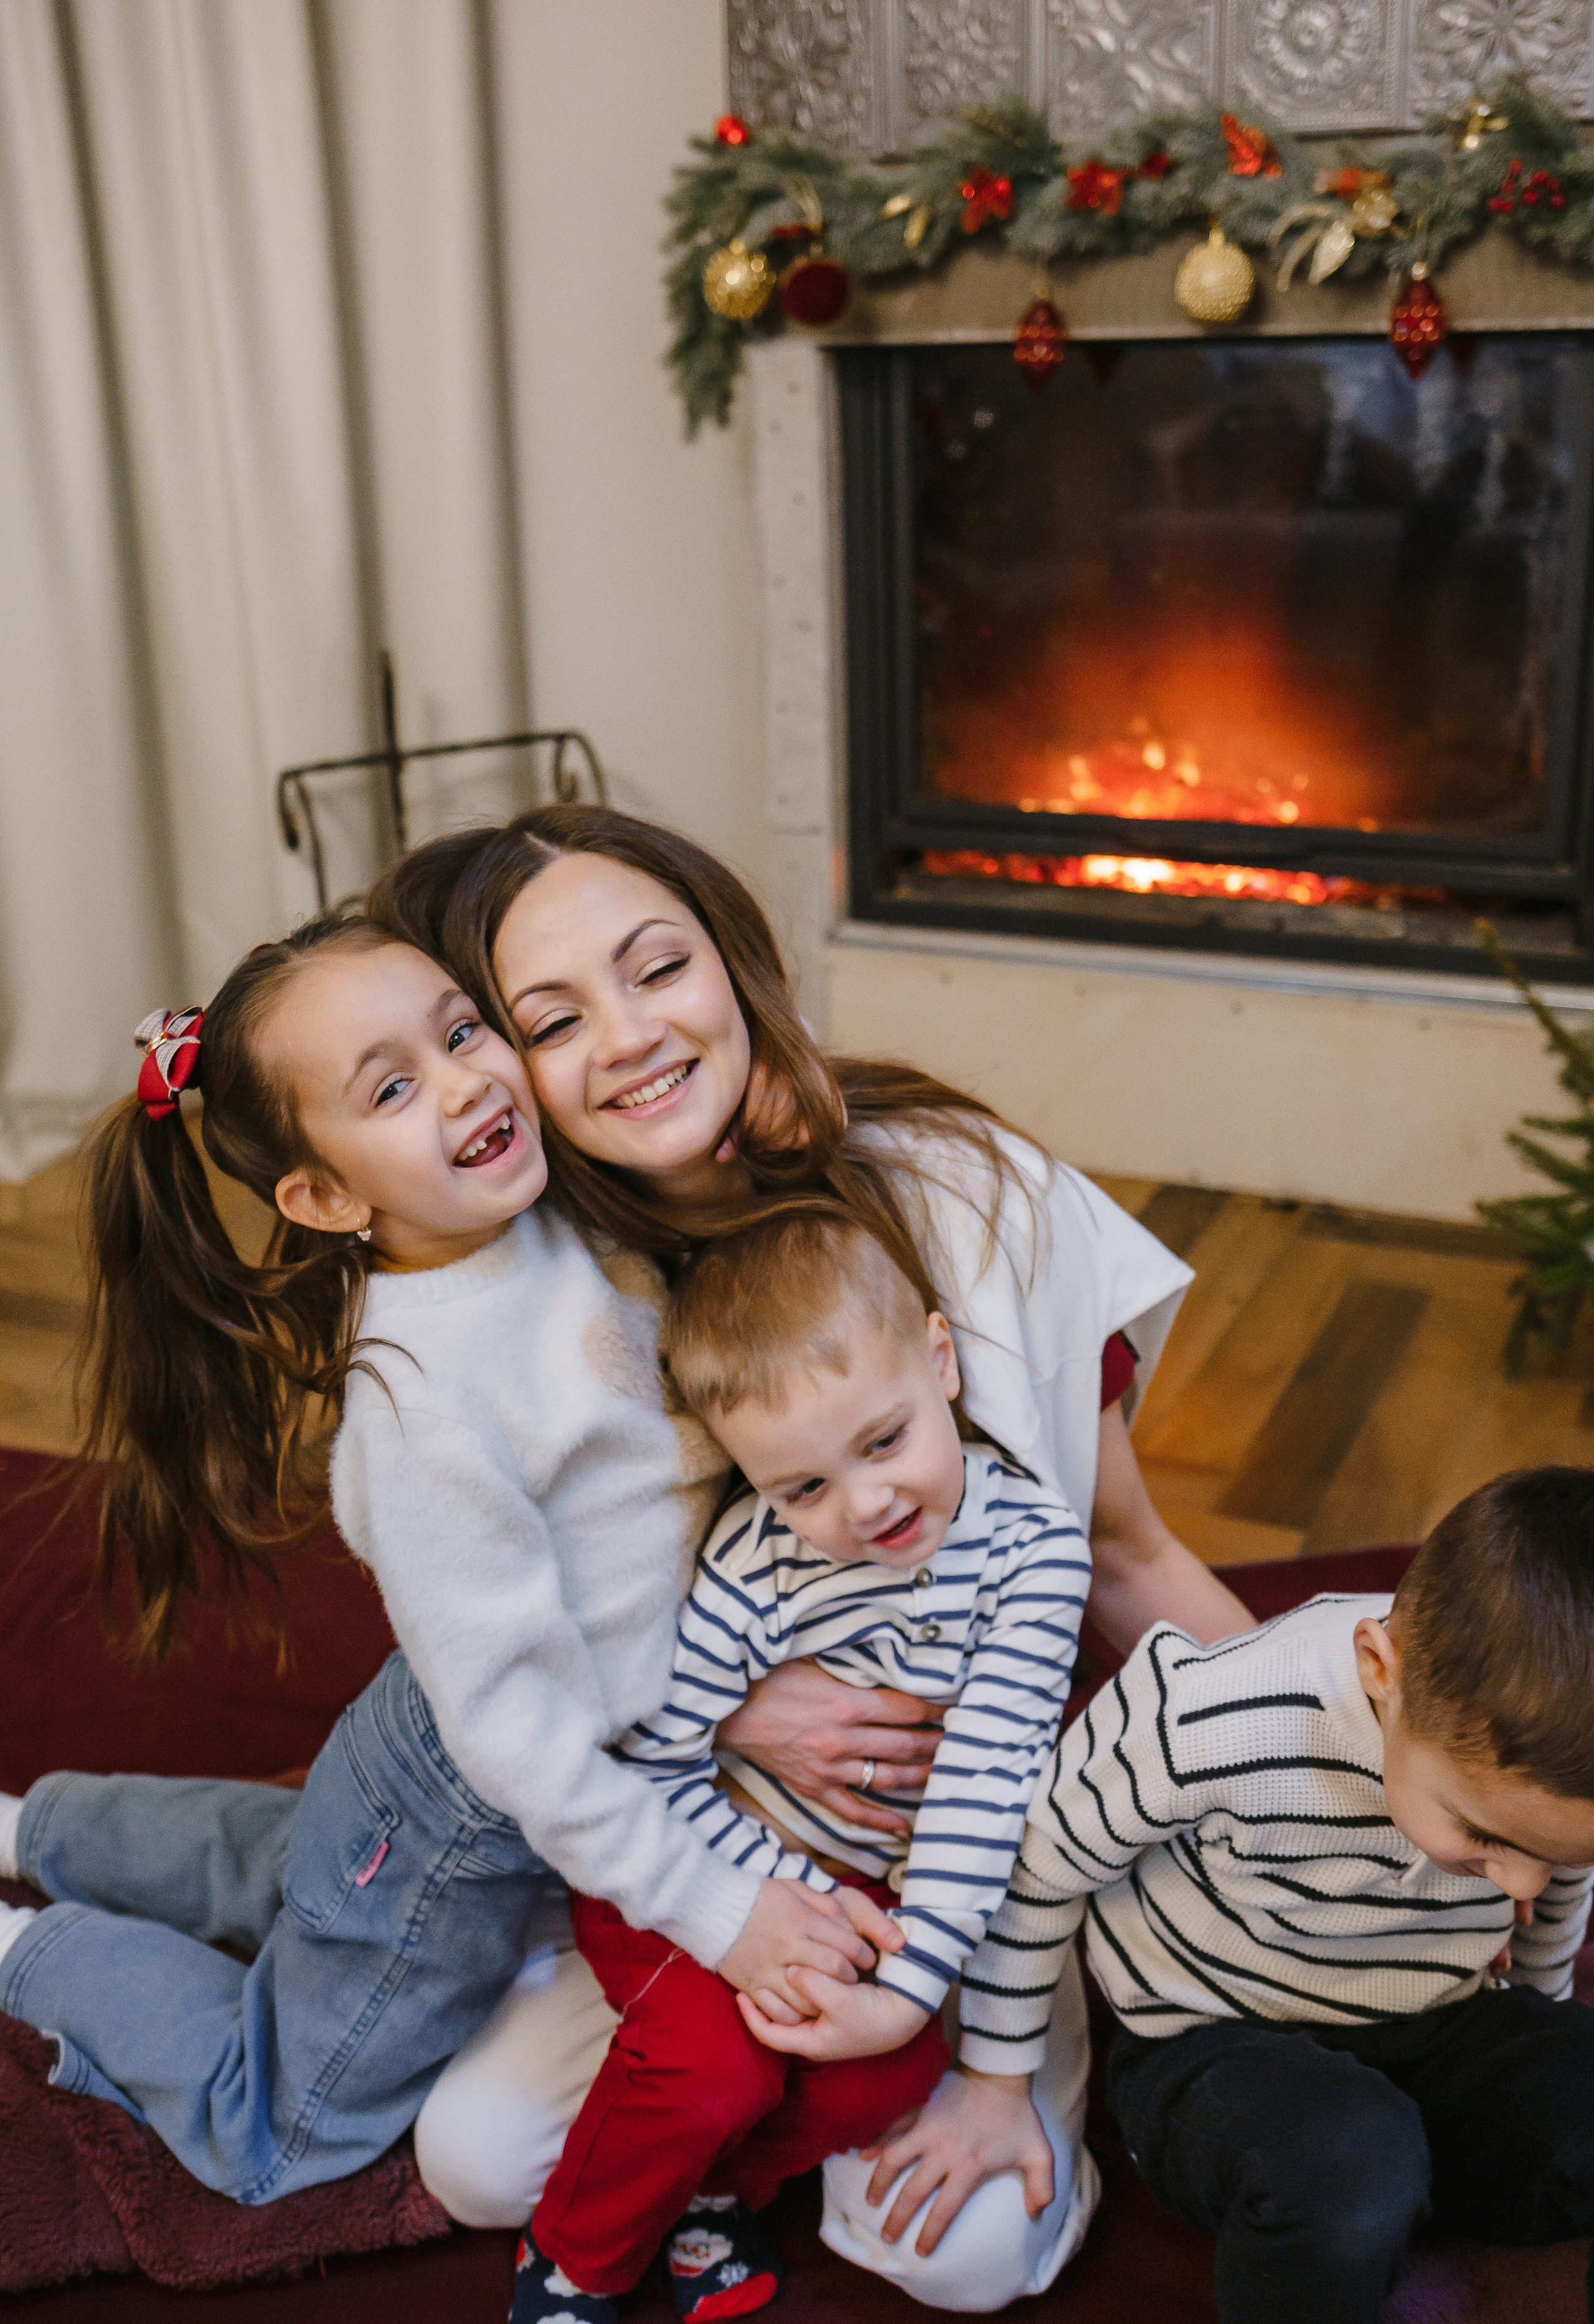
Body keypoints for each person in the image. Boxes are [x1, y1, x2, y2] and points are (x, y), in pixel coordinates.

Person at [370, 804, 1253, 2285]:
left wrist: (1320, 1778)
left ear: (733, 961)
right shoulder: (521, 1300)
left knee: (965, 2254)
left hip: (960, 1849)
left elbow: (1121, 1553)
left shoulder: (968, 1200)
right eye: (554, 1018)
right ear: (499, 1070)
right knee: (473, 2164)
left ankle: (892, 2075)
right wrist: (731, 1708)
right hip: (703, 1829)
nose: (634, 1036)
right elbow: (500, 1649)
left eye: (658, 969)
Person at [0, 914, 889, 2204]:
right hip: (467, 1818)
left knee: (292, 1863)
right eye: (396, 1087)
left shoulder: (552, 1213)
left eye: (461, 1031)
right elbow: (523, 1750)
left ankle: (36, 1823)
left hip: (430, 1733)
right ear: (325, 1199)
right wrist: (718, 1914)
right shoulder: (424, 1416)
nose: (470, 1080)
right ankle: (35, 1945)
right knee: (280, 2130)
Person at [510, 1207, 1089, 2324]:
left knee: (889, 2069)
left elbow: (985, 1789)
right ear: (752, 1480)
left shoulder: (1034, 1552)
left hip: (860, 1889)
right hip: (691, 1864)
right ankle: (575, 2256)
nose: (867, 1506)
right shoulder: (751, 1560)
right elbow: (660, 1766)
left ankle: (712, 2194)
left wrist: (907, 1982)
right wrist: (777, 1906)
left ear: (940, 1358)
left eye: (883, 1442)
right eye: (803, 1488)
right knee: (713, 2068)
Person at [867, 1467, 1594, 2324]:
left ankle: (1409, 2178)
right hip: (1217, 2037)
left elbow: (1550, 1892)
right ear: (1378, 1670)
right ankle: (1372, 2193)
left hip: (1438, 2015)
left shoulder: (1547, 1785)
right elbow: (1037, 1865)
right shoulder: (1211, 1717)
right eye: (1485, 1841)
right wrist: (994, 2077)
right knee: (1348, 2169)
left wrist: (1533, 2024)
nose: (1522, 1886)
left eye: (1556, 1855)